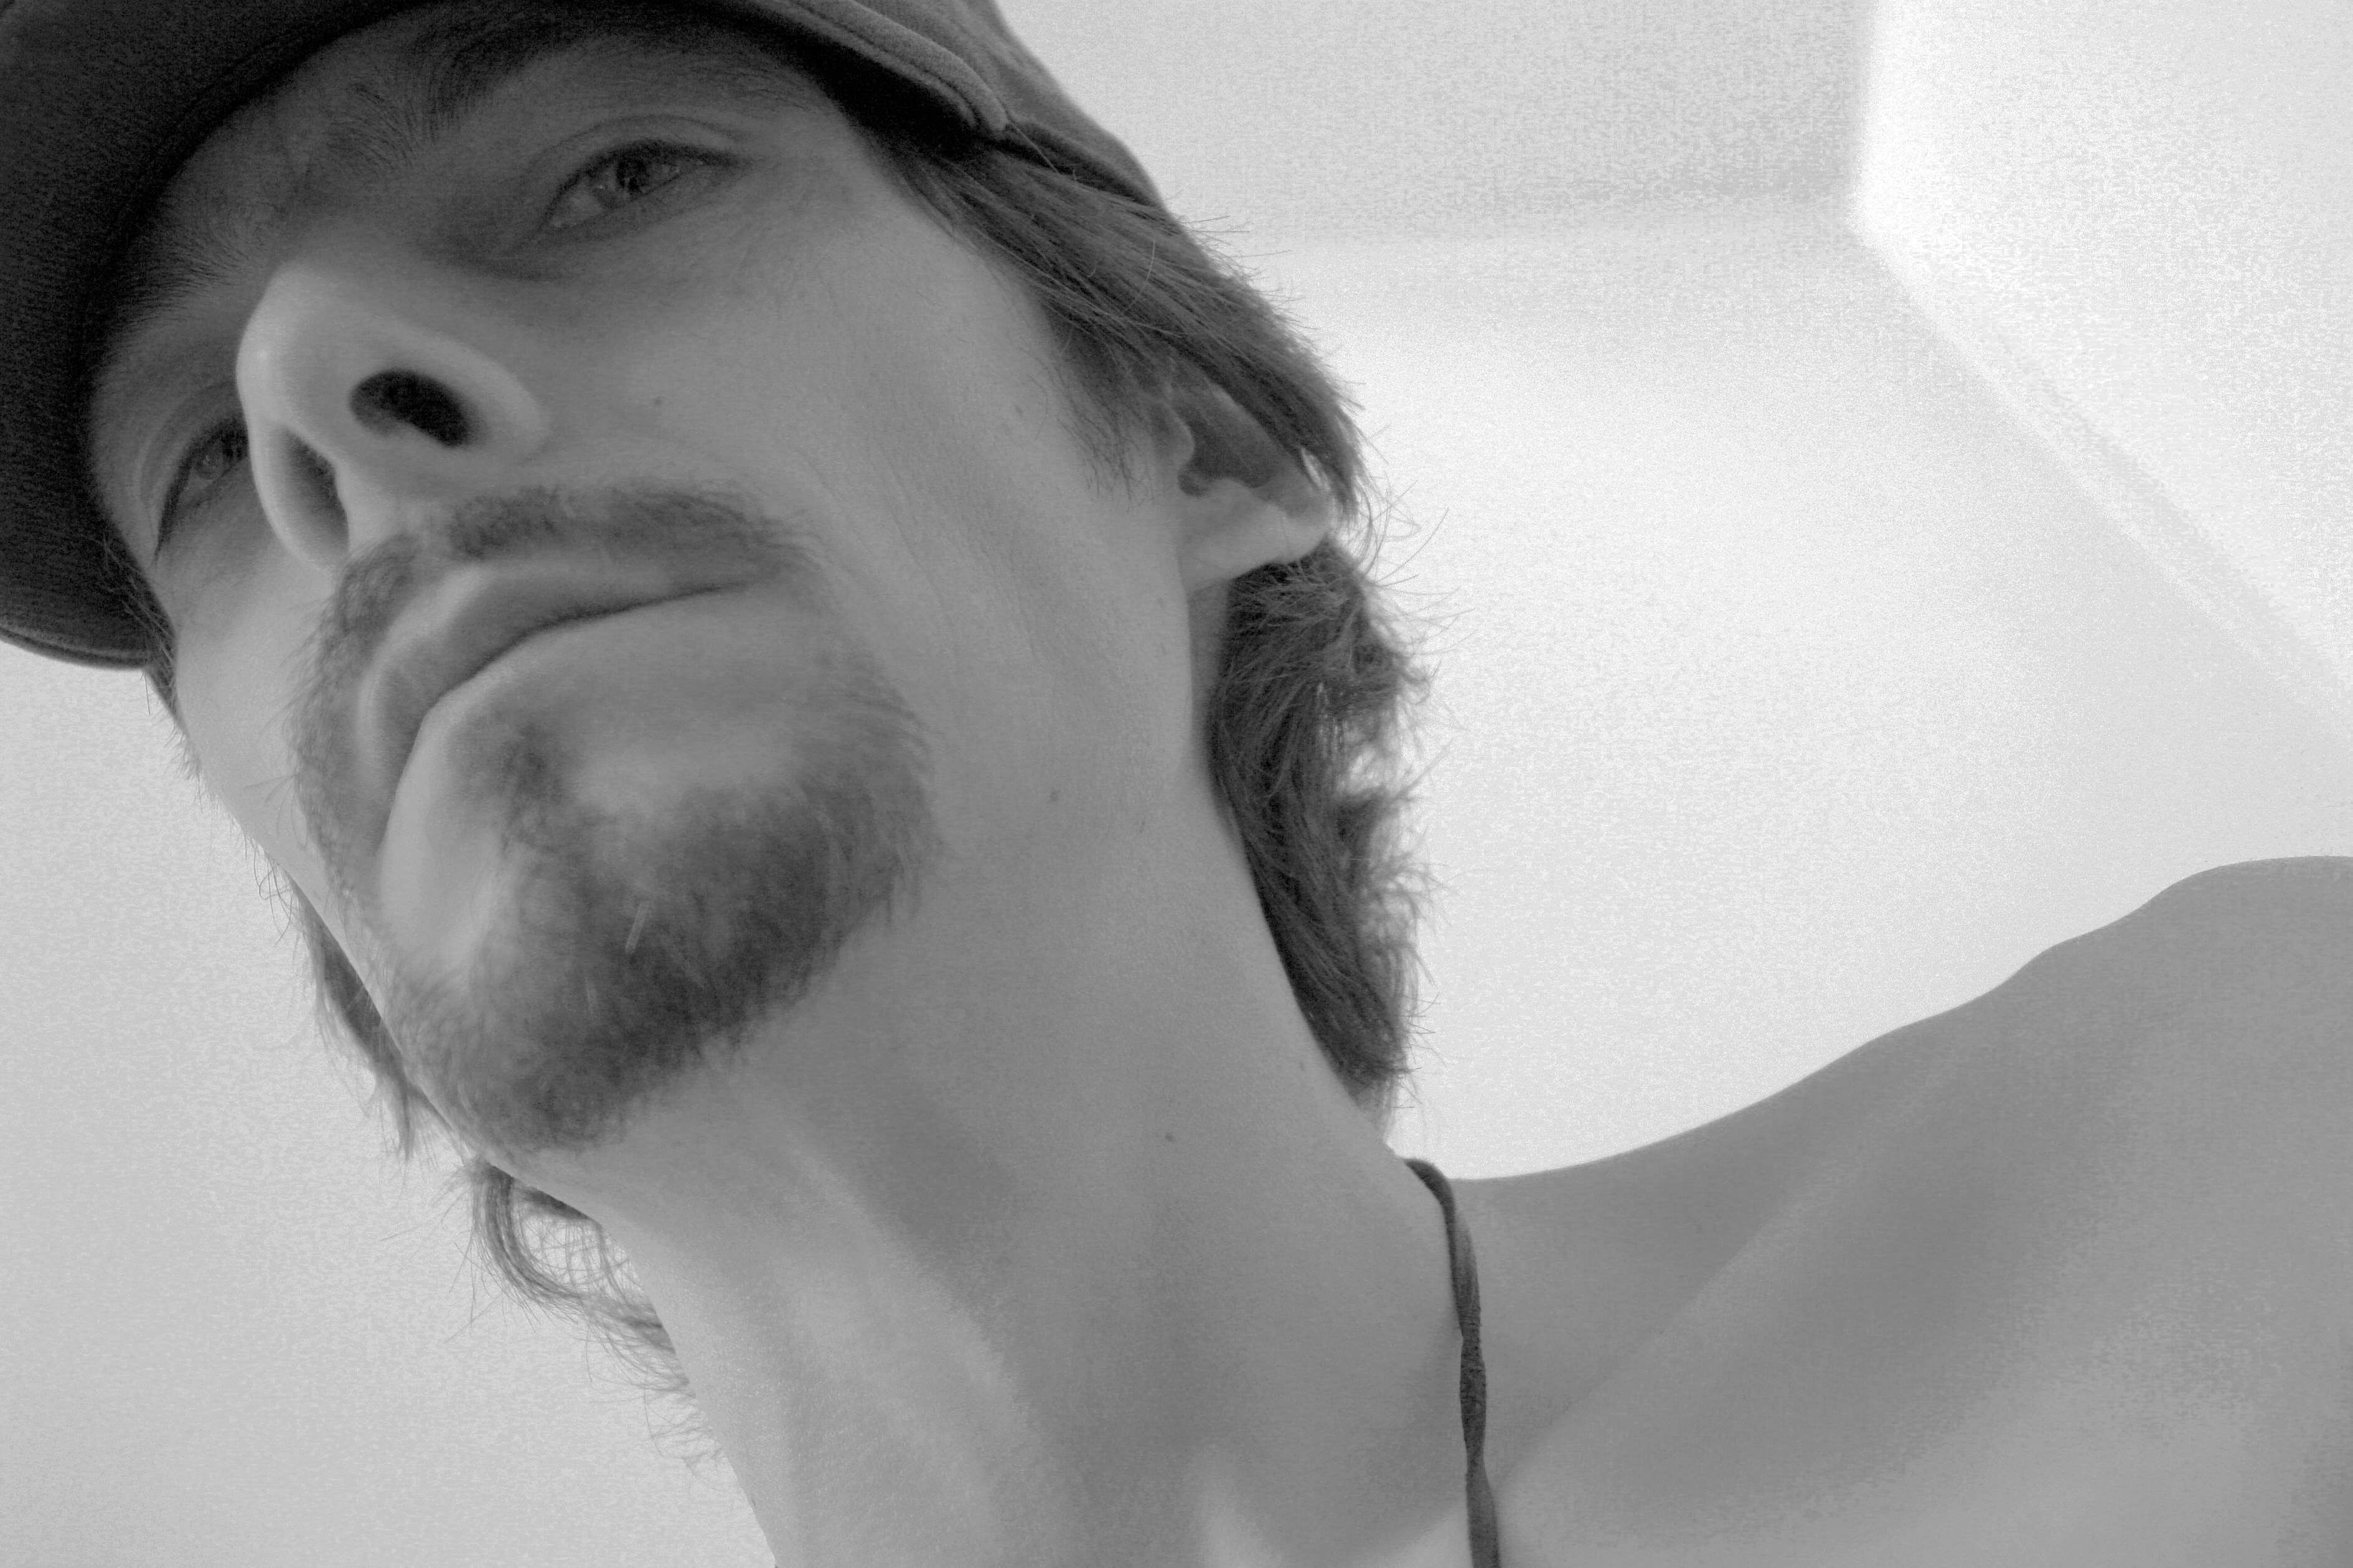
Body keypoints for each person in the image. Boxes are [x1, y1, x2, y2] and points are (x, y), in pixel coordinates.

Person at [1, 1, 2346, 1562]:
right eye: (196, 457)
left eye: (615, 176)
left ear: (1197, 437)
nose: (308, 394)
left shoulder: (2254, 1151)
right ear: (338, 920)